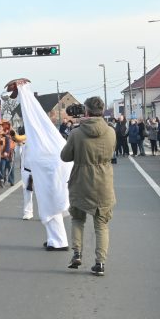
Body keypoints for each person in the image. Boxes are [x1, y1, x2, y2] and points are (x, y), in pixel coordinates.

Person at [8, 79, 70, 252]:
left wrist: (24, 92)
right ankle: (54, 239)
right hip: (46, 177)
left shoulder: (46, 141)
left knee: (50, 208)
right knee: (48, 209)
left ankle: (58, 241)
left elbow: (33, 117)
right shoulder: (42, 140)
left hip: (50, 178)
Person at [60, 98, 115, 274]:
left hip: (81, 180)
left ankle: (77, 253)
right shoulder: (111, 132)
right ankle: (100, 263)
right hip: (103, 181)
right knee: (102, 224)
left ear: (87, 111)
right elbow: (111, 152)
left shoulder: (76, 133)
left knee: (77, 219)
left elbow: (65, 156)